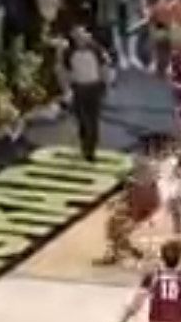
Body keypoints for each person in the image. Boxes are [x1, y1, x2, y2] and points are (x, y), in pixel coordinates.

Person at [99, 136, 161, 265]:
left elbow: (131, 184)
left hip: (141, 202)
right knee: (115, 227)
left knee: (115, 228)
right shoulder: (148, 163)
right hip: (145, 201)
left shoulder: (137, 162)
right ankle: (127, 251)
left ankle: (120, 253)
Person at [63, 27, 113, 162]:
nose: (81, 39)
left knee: (92, 120)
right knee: (82, 119)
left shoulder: (95, 49)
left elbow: (104, 67)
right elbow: (66, 71)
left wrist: (106, 84)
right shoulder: (69, 52)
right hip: (79, 88)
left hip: (93, 87)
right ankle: (85, 142)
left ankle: (90, 150)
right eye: (77, 37)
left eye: (82, 35)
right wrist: (67, 89)